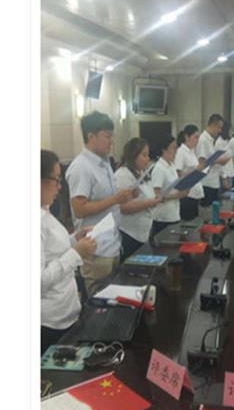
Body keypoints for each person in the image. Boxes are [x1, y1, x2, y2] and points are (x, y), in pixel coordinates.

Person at [64, 111, 137, 294]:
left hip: (112, 243)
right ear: (91, 136)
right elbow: (79, 209)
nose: (111, 141)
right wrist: (115, 199)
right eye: (107, 136)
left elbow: (108, 201)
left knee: (112, 296)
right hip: (95, 248)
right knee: (98, 300)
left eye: (112, 136)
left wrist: (125, 196)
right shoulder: (81, 166)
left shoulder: (104, 163)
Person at [41, 150, 97, 353]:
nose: (59, 186)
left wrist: (75, 238)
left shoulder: (44, 211)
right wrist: (76, 254)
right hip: (49, 321)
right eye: (56, 179)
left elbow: (52, 251)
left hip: (65, 312)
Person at [113, 138, 162, 260]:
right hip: (129, 233)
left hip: (143, 233)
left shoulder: (142, 172)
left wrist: (156, 199)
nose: (147, 159)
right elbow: (123, 207)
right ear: (133, 156)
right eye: (144, 155)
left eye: (148, 155)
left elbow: (147, 196)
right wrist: (149, 203)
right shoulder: (123, 174)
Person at [149, 135, 189, 240]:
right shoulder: (159, 168)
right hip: (163, 217)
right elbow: (156, 196)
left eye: (176, 147)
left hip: (174, 213)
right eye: (173, 148)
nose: (176, 151)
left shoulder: (172, 165)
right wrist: (176, 195)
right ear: (164, 149)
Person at [196, 114, 232, 206]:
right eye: (219, 127)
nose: (220, 131)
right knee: (208, 211)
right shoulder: (203, 140)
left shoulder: (210, 140)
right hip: (207, 182)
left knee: (215, 209)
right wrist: (219, 160)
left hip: (213, 181)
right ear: (213, 125)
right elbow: (201, 163)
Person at [175, 124, 206, 221]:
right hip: (187, 195)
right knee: (188, 222)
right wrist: (196, 171)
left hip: (195, 193)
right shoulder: (181, 152)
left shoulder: (191, 151)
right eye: (195, 137)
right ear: (187, 137)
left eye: (198, 138)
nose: (197, 140)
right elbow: (178, 174)